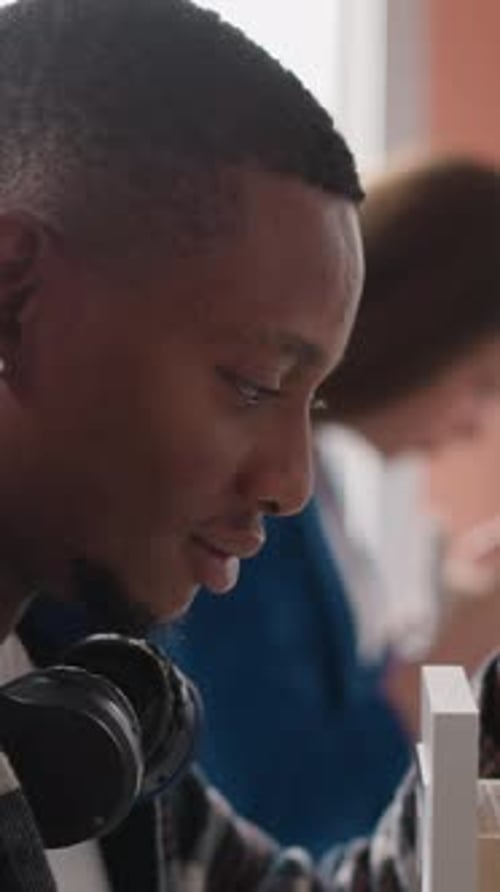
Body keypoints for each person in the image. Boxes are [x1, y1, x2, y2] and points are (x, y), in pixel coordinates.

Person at [0, 2, 500, 890]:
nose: (293, 483)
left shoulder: (94, 719)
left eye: (313, 400)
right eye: (254, 384)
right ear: (13, 298)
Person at [165, 158, 500, 854]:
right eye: (483, 382)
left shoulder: (327, 505)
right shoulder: (254, 502)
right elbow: (285, 810)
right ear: (425, 333)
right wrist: (449, 658)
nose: (477, 424)